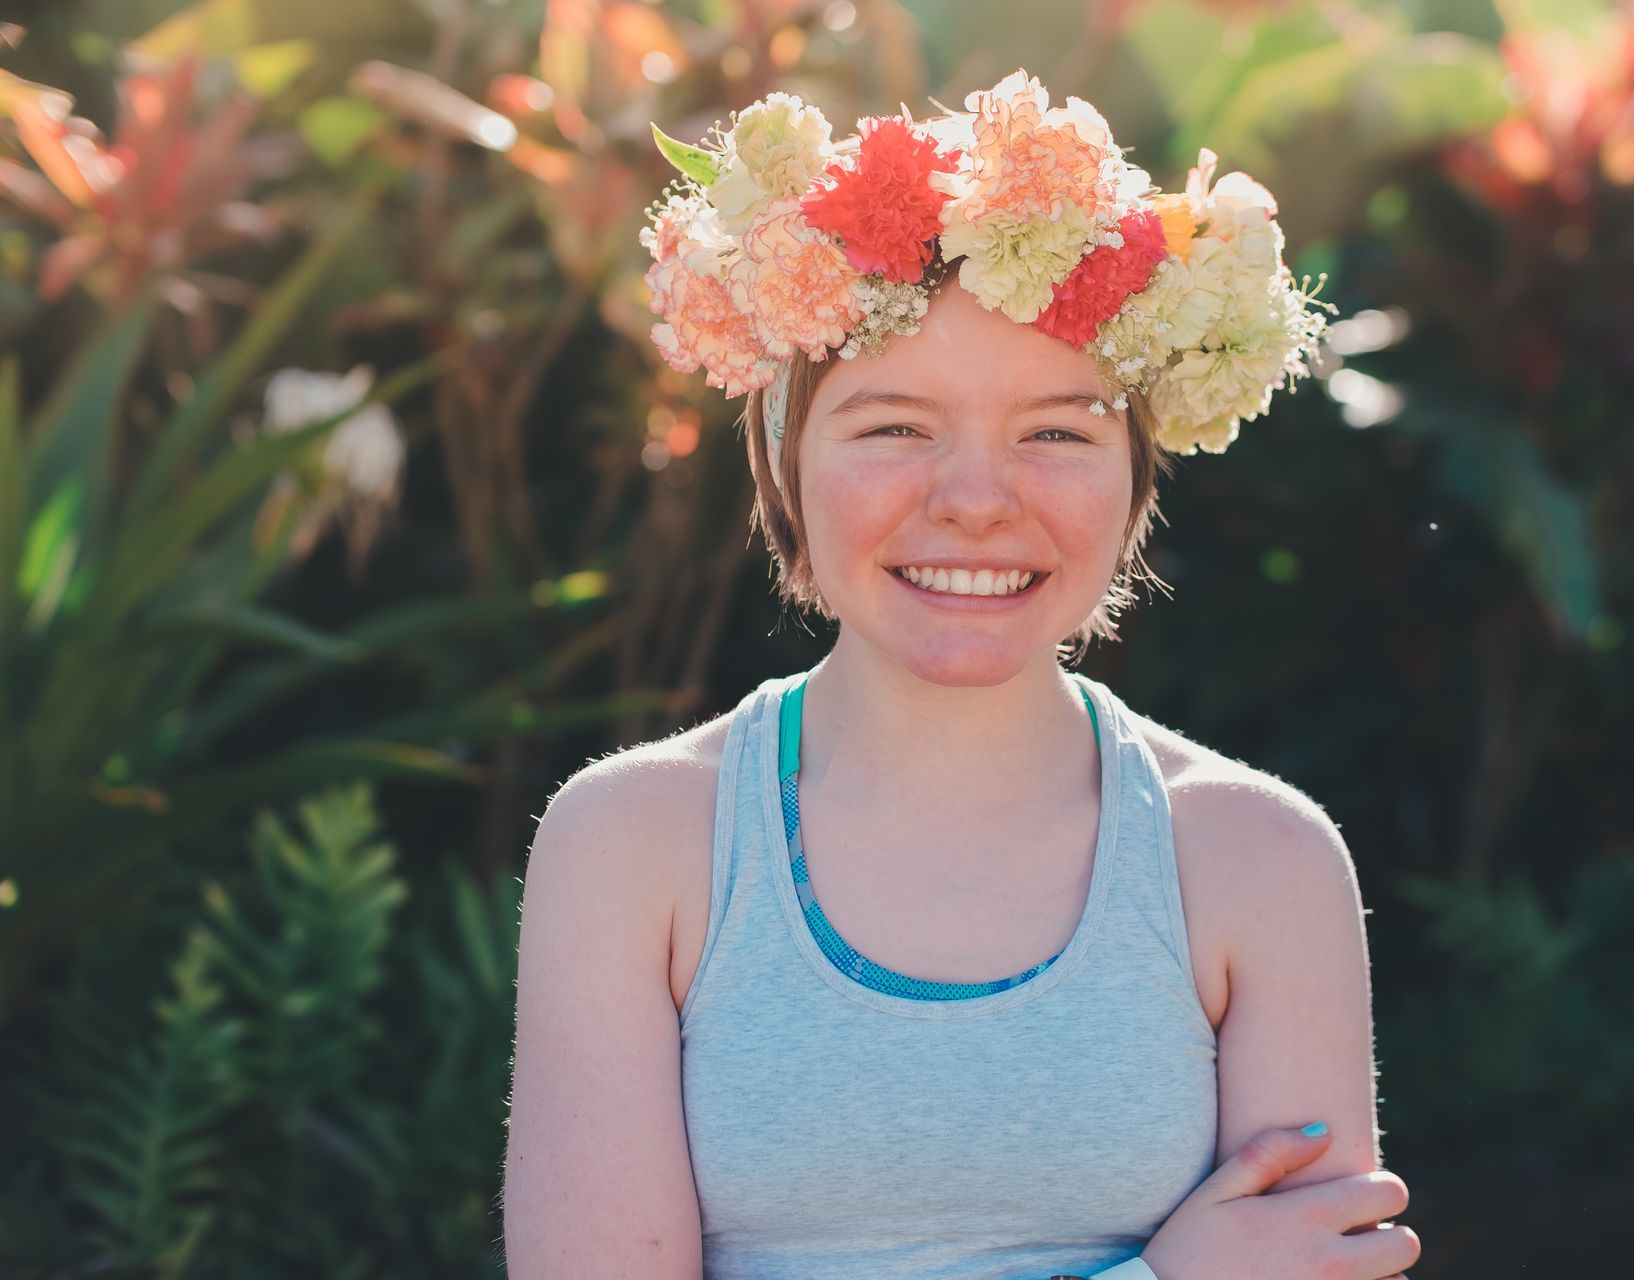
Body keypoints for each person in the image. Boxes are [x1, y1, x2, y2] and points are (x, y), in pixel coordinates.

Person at [503, 70, 1420, 1280]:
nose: (978, 502)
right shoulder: (635, 845)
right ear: (786, 469)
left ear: (1138, 480)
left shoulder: (1258, 863)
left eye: (1057, 430)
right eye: (893, 425)